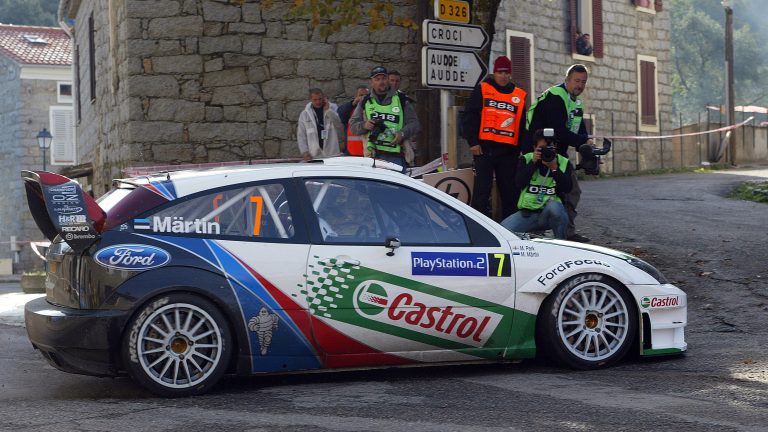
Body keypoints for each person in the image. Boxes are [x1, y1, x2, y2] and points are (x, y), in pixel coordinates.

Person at [526, 64, 591, 242]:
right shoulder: (555, 96)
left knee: (571, 191)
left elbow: (579, 131)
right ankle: (537, 233)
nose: (580, 85)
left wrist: (587, 146)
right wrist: (582, 141)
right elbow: (559, 131)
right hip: (537, 151)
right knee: (541, 192)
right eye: (577, 81)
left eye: (583, 82)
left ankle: (566, 233)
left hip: (558, 152)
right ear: (567, 80)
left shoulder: (576, 102)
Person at [461, 55, 529, 220]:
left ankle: (509, 227)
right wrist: (473, 142)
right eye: (500, 72)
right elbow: (470, 117)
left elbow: (522, 125)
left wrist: (523, 150)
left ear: (510, 74)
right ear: (494, 72)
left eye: (506, 72)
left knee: (509, 192)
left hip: (508, 152)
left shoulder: (519, 95)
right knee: (482, 192)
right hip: (484, 150)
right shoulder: (483, 89)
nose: (503, 76)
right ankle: (479, 226)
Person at [500, 129, 573, 239]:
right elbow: (519, 183)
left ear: (555, 147)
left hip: (550, 214)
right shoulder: (526, 159)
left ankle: (560, 243)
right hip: (528, 214)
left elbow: (567, 188)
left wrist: (554, 168)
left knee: (556, 208)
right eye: (542, 149)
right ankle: (534, 235)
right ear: (534, 147)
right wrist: (533, 163)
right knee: (503, 230)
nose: (546, 152)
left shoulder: (563, 162)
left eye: (550, 148)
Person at [349, 66, 421, 170]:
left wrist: (402, 133)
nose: (381, 82)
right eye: (377, 79)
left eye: (384, 78)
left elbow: (414, 124)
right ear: (371, 82)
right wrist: (365, 125)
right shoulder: (365, 101)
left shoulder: (401, 99)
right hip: (373, 156)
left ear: (388, 80)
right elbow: (353, 125)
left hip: (397, 155)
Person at [297, 88, 344, 161]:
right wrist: (304, 152)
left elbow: (339, 125)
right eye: (315, 100)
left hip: (332, 152)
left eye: (320, 99)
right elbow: (301, 135)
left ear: (324, 98)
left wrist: (328, 110)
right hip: (314, 154)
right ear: (310, 99)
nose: (318, 102)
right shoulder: (305, 114)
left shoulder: (333, 108)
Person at [387, 69, 417, 166]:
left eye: (397, 81)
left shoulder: (403, 100)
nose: (394, 83)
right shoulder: (374, 98)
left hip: (399, 146)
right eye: (392, 80)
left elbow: (414, 123)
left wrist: (403, 133)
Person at [337, 85, 369, 156]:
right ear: (355, 96)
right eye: (361, 95)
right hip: (352, 151)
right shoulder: (350, 109)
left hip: (367, 151)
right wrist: (353, 103)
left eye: (366, 96)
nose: (363, 98)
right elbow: (339, 113)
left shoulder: (372, 109)